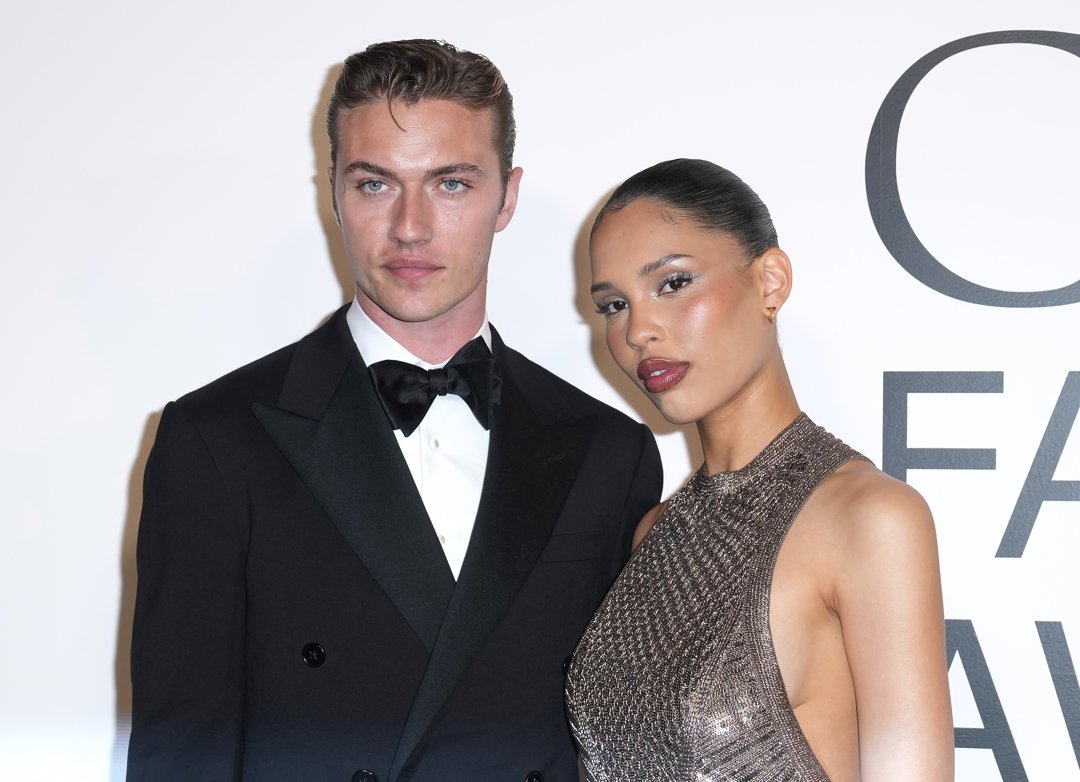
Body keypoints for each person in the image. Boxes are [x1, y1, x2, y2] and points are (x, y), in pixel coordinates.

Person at [126, 40, 662, 782]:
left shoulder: (611, 453)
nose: (410, 228)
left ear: (506, 197)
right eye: (376, 185)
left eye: (450, 185)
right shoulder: (217, 441)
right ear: (334, 193)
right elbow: (179, 757)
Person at [565, 159, 953, 781]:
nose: (638, 331)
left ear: (770, 282)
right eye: (613, 304)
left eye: (671, 284)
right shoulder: (654, 533)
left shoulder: (869, 519)